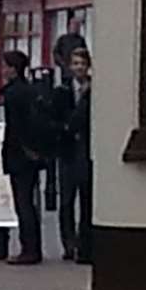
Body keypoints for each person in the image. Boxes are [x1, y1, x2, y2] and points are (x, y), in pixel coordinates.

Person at [1, 49, 44, 265]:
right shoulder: (30, 91)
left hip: (19, 154)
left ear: (14, 69)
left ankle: (29, 248)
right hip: (31, 154)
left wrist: (21, 149)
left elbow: (16, 127)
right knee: (29, 201)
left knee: (23, 203)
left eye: (6, 66)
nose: (3, 70)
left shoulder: (12, 94)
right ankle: (33, 246)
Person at [57, 46, 93, 263]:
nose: (79, 68)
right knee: (66, 201)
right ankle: (68, 244)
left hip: (87, 150)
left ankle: (84, 243)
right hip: (68, 151)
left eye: (82, 64)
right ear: (70, 67)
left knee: (86, 199)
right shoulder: (62, 90)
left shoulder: (95, 90)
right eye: (76, 64)